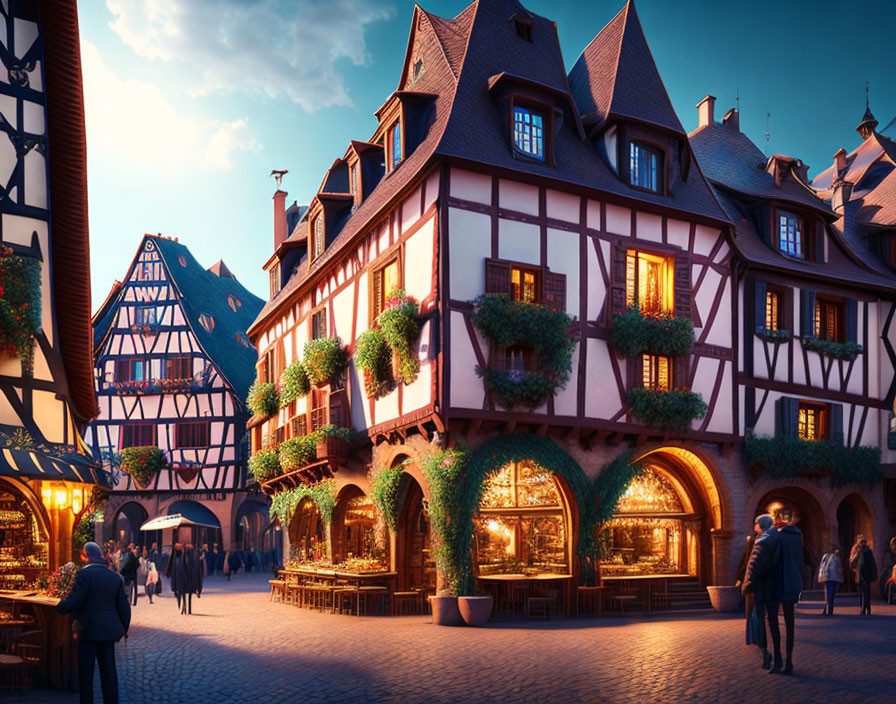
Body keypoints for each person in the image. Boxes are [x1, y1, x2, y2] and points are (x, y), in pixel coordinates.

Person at [57, 542, 130, 704]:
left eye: (83, 554)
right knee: (109, 672)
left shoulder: (84, 575)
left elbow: (74, 600)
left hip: (88, 631)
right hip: (108, 632)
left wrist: (60, 607)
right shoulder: (114, 577)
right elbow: (124, 608)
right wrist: (123, 628)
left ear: (87, 556)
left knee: (86, 674)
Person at [741, 514, 780, 670]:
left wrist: (747, 585)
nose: (754, 525)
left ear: (761, 525)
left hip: (761, 587)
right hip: (774, 585)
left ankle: (767, 653)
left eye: (756, 523)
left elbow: (754, 566)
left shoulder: (762, 541)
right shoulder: (776, 538)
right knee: (770, 619)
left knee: (759, 619)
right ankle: (773, 655)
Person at [768, 508, 802, 675]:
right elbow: (800, 561)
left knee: (773, 621)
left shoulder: (776, 536)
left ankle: (777, 660)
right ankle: (789, 661)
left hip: (777, 582)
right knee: (790, 623)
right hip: (793, 582)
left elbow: (772, 560)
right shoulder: (798, 536)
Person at [818, 546, 844, 615]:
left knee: (828, 593)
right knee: (831, 594)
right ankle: (829, 609)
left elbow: (822, 566)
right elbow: (838, 568)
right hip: (834, 578)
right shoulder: (835, 557)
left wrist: (821, 576)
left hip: (826, 577)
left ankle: (826, 609)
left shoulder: (825, 556)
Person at [855, 538, 878, 615]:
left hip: (864, 575)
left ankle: (864, 608)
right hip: (865, 575)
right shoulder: (864, 552)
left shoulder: (864, 552)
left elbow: (857, 563)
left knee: (864, 592)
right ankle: (867, 608)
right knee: (865, 592)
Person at [166, 543, 186, 612]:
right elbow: (170, 564)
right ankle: (180, 604)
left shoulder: (183, 555)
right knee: (176, 589)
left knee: (180, 590)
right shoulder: (174, 555)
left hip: (180, 575)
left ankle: (182, 605)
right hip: (175, 574)